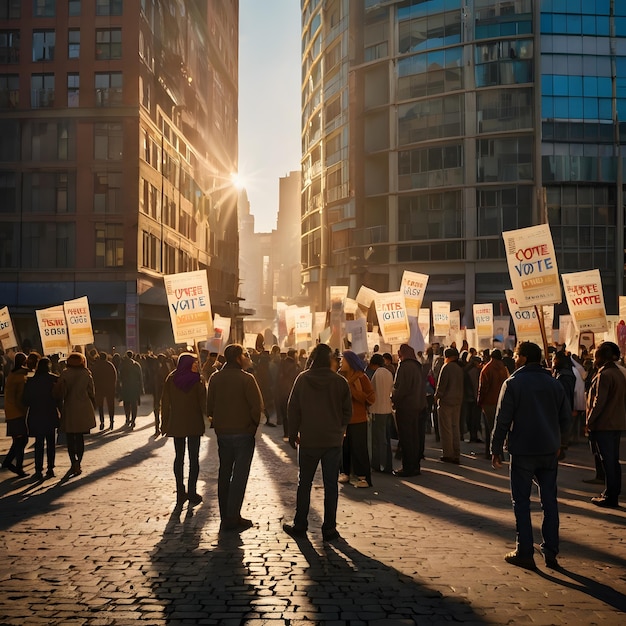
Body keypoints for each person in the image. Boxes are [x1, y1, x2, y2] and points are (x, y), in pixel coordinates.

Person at [491, 341, 571, 570]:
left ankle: (525, 551)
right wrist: (561, 444)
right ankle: (550, 550)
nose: (514, 359)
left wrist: (496, 449)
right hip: (548, 451)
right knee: (549, 502)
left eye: (516, 355)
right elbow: (566, 418)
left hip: (523, 451)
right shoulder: (554, 384)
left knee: (522, 503)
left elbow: (502, 419)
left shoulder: (513, 383)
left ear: (524, 357)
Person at [283, 343, 352, 541]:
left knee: (304, 483)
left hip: (309, 440)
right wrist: (340, 428)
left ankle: (300, 524)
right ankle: (329, 528)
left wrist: (293, 432)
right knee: (331, 485)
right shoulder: (339, 382)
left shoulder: (303, 379)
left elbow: (292, 408)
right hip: (332, 441)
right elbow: (347, 411)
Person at [207, 344, 263, 532]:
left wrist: (218, 423)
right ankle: (232, 516)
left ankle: (227, 515)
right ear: (238, 358)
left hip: (223, 433)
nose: (248, 358)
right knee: (239, 475)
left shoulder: (215, 378)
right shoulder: (247, 379)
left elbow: (209, 406)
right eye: (245, 355)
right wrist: (252, 427)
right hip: (243, 433)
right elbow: (257, 406)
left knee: (225, 473)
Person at [160, 352, 206, 508]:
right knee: (192, 458)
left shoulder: (171, 378)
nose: (196, 365)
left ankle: (182, 491)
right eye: (193, 363)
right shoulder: (197, 380)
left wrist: (164, 423)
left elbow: (165, 402)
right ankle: (190, 492)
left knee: (180, 457)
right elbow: (203, 403)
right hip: (193, 423)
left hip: (178, 422)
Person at [585, 341, 626, 508]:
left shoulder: (605, 375)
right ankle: (611, 492)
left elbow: (598, 402)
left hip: (604, 424)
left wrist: (589, 421)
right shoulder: (619, 373)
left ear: (601, 357)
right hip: (616, 423)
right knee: (613, 461)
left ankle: (611, 495)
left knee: (608, 461)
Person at [338, 350, 375, 487]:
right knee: (344, 448)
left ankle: (363, 477)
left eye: (343, 360)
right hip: (344, 420)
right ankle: (345, 472)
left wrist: (352, 390)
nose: (341, 362)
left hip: (359, 419)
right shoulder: (339, 378)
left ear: (350, 361)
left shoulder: (362, 377)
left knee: (359, 449)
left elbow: (371, 397)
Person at [56, 352, 96, 477]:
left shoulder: (65, 373)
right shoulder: (86, 374)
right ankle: (78, 462)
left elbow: (59, 392)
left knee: (70, 438)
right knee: (80, 438)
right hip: (83, 408)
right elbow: (92, 392)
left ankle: (73, 462)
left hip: (69, 407)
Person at [391, 344, 426, 477]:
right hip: (418, 407)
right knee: (415, 437)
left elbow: (401, 389)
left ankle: (408, 467)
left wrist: (394, 398)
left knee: (406, 438)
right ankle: (415, 466)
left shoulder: (404, 366)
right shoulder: (417, 366)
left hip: (406, 407)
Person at [23, 357, 61, 480]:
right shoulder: (54, 379)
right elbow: (59, 398)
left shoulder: (31, 381)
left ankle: (38, 469)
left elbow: (26, 400)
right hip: (50, 413)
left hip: (36, 414)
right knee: (51, 443)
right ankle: (50, 468)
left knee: (39, 443)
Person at [477, 348, 510, 460]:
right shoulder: (503, 369)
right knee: (499, 428)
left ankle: (490, 452)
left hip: (489, 403)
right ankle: (499, 452)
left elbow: (483, 388)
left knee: (489, 428)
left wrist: (480, 401)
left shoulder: (487, 369)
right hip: (501, 401)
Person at [434, 347, 464, 464]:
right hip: (457, 401)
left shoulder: (446, 368)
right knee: (455, 427)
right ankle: (456, 453)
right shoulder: (459, 368)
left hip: (446, 401)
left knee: (446, 429)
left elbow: (441, 386)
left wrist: (436, 397)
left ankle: (448, 454)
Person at [1, 352, 30, 477]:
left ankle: (10, 463)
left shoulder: (12, 374)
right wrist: (24, 410)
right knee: (22, 440)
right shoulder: (20, 377)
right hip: (17, 412)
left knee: (19, 440)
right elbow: (19, 397)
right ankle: (16, 466)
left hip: (10, 412)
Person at [368, 353, 394, 474]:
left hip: (377, 410)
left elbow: (372, 392)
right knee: (385, 438)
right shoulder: (388, 373)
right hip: (387, 409)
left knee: (378, 439)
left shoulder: (376, 374)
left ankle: (378, 463)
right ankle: (387, 464)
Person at [275, 348, 301, 442]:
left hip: (282, 392)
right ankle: (292, 433)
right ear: (294, 355)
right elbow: (296, 379)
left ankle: (286, 433)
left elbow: (278, 378)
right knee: (293, 413)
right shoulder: (295, 365)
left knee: (285, 414)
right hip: (291, 392)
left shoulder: (282, 364)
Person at [90, 351, 117, 431]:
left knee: (100, 406)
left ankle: (102, 421)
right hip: (109, 388)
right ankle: (111, 421)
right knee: (110, 405)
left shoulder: (96, 366)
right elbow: (114, 377)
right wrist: (113, 387)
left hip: (99, 388)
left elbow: (92, 377)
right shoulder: (110, 365)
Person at [118, 350, 144, 428]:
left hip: (125, 386)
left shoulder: (122, 364)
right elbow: (140, 377)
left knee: (126, 403)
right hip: (134, 387)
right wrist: (142, 388)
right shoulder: (136, 365)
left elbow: (119, 376)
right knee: (134, 405)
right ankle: (133, 420)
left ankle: (127, 418)